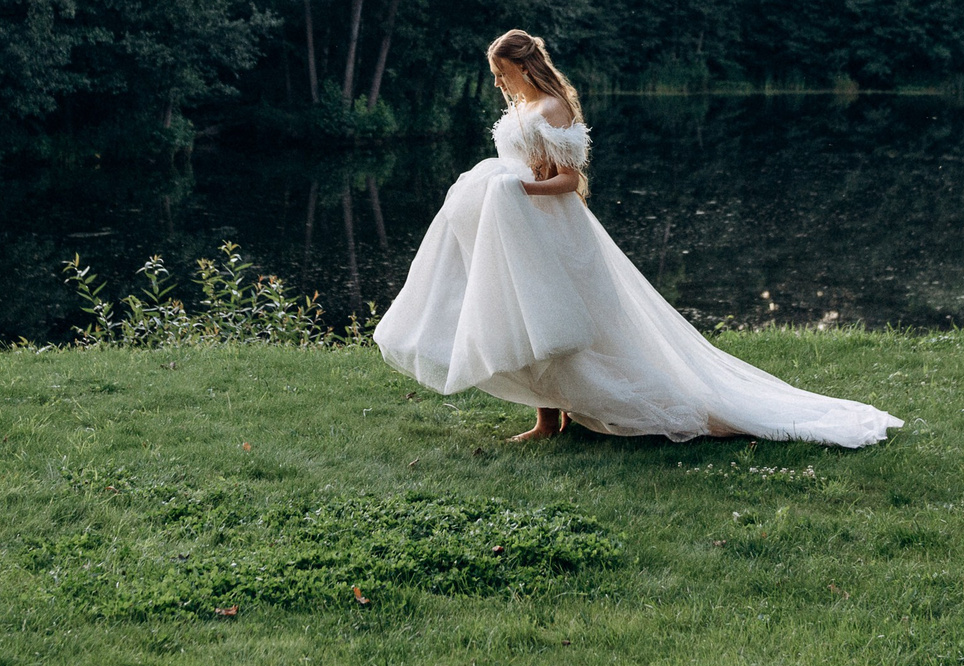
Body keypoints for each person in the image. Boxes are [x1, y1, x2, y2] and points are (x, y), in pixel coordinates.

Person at [375, 29, 902, 447]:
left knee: (561, 319)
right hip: (520, 231)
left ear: (524, 66)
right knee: (527, 317)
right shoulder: (520, 107)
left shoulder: (553, 108)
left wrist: (518, 188)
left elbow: (569, 181)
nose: (498, 84)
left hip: (552, 229)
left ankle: (593, 409)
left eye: (502, 73)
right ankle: (549, 418)